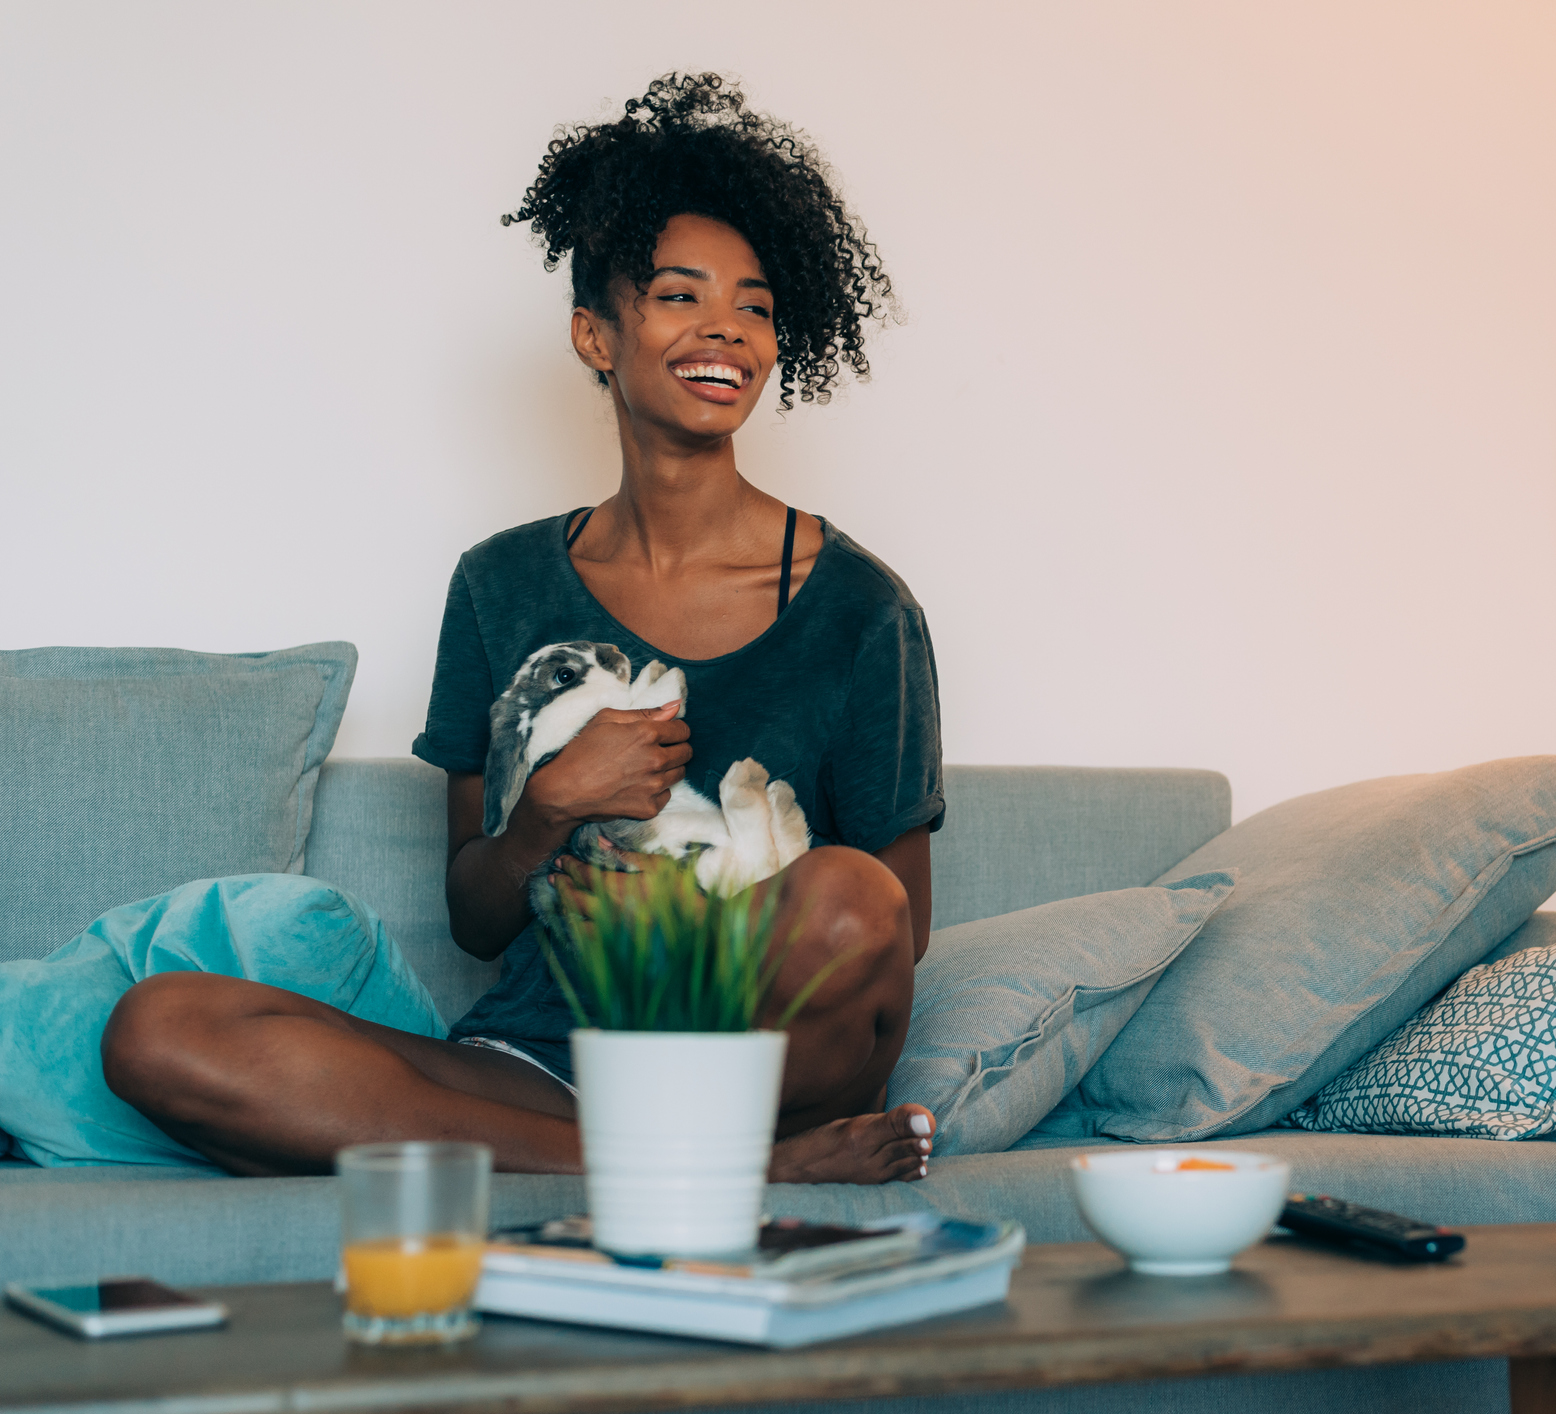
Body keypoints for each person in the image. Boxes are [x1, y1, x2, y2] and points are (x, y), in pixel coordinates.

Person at [97, 73, 941, 1185]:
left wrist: (695, 925)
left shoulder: (862, 609)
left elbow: (896, 933)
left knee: (851, 897)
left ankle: (682, 1140)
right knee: (160, 1025)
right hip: (540, 1068)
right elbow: (477, 919)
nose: (725, 328)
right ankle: (675, 1167)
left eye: (756, 304)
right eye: (680, 295)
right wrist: (548, 806)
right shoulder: (500, 584)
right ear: (597, 333)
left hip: (753, 1063)